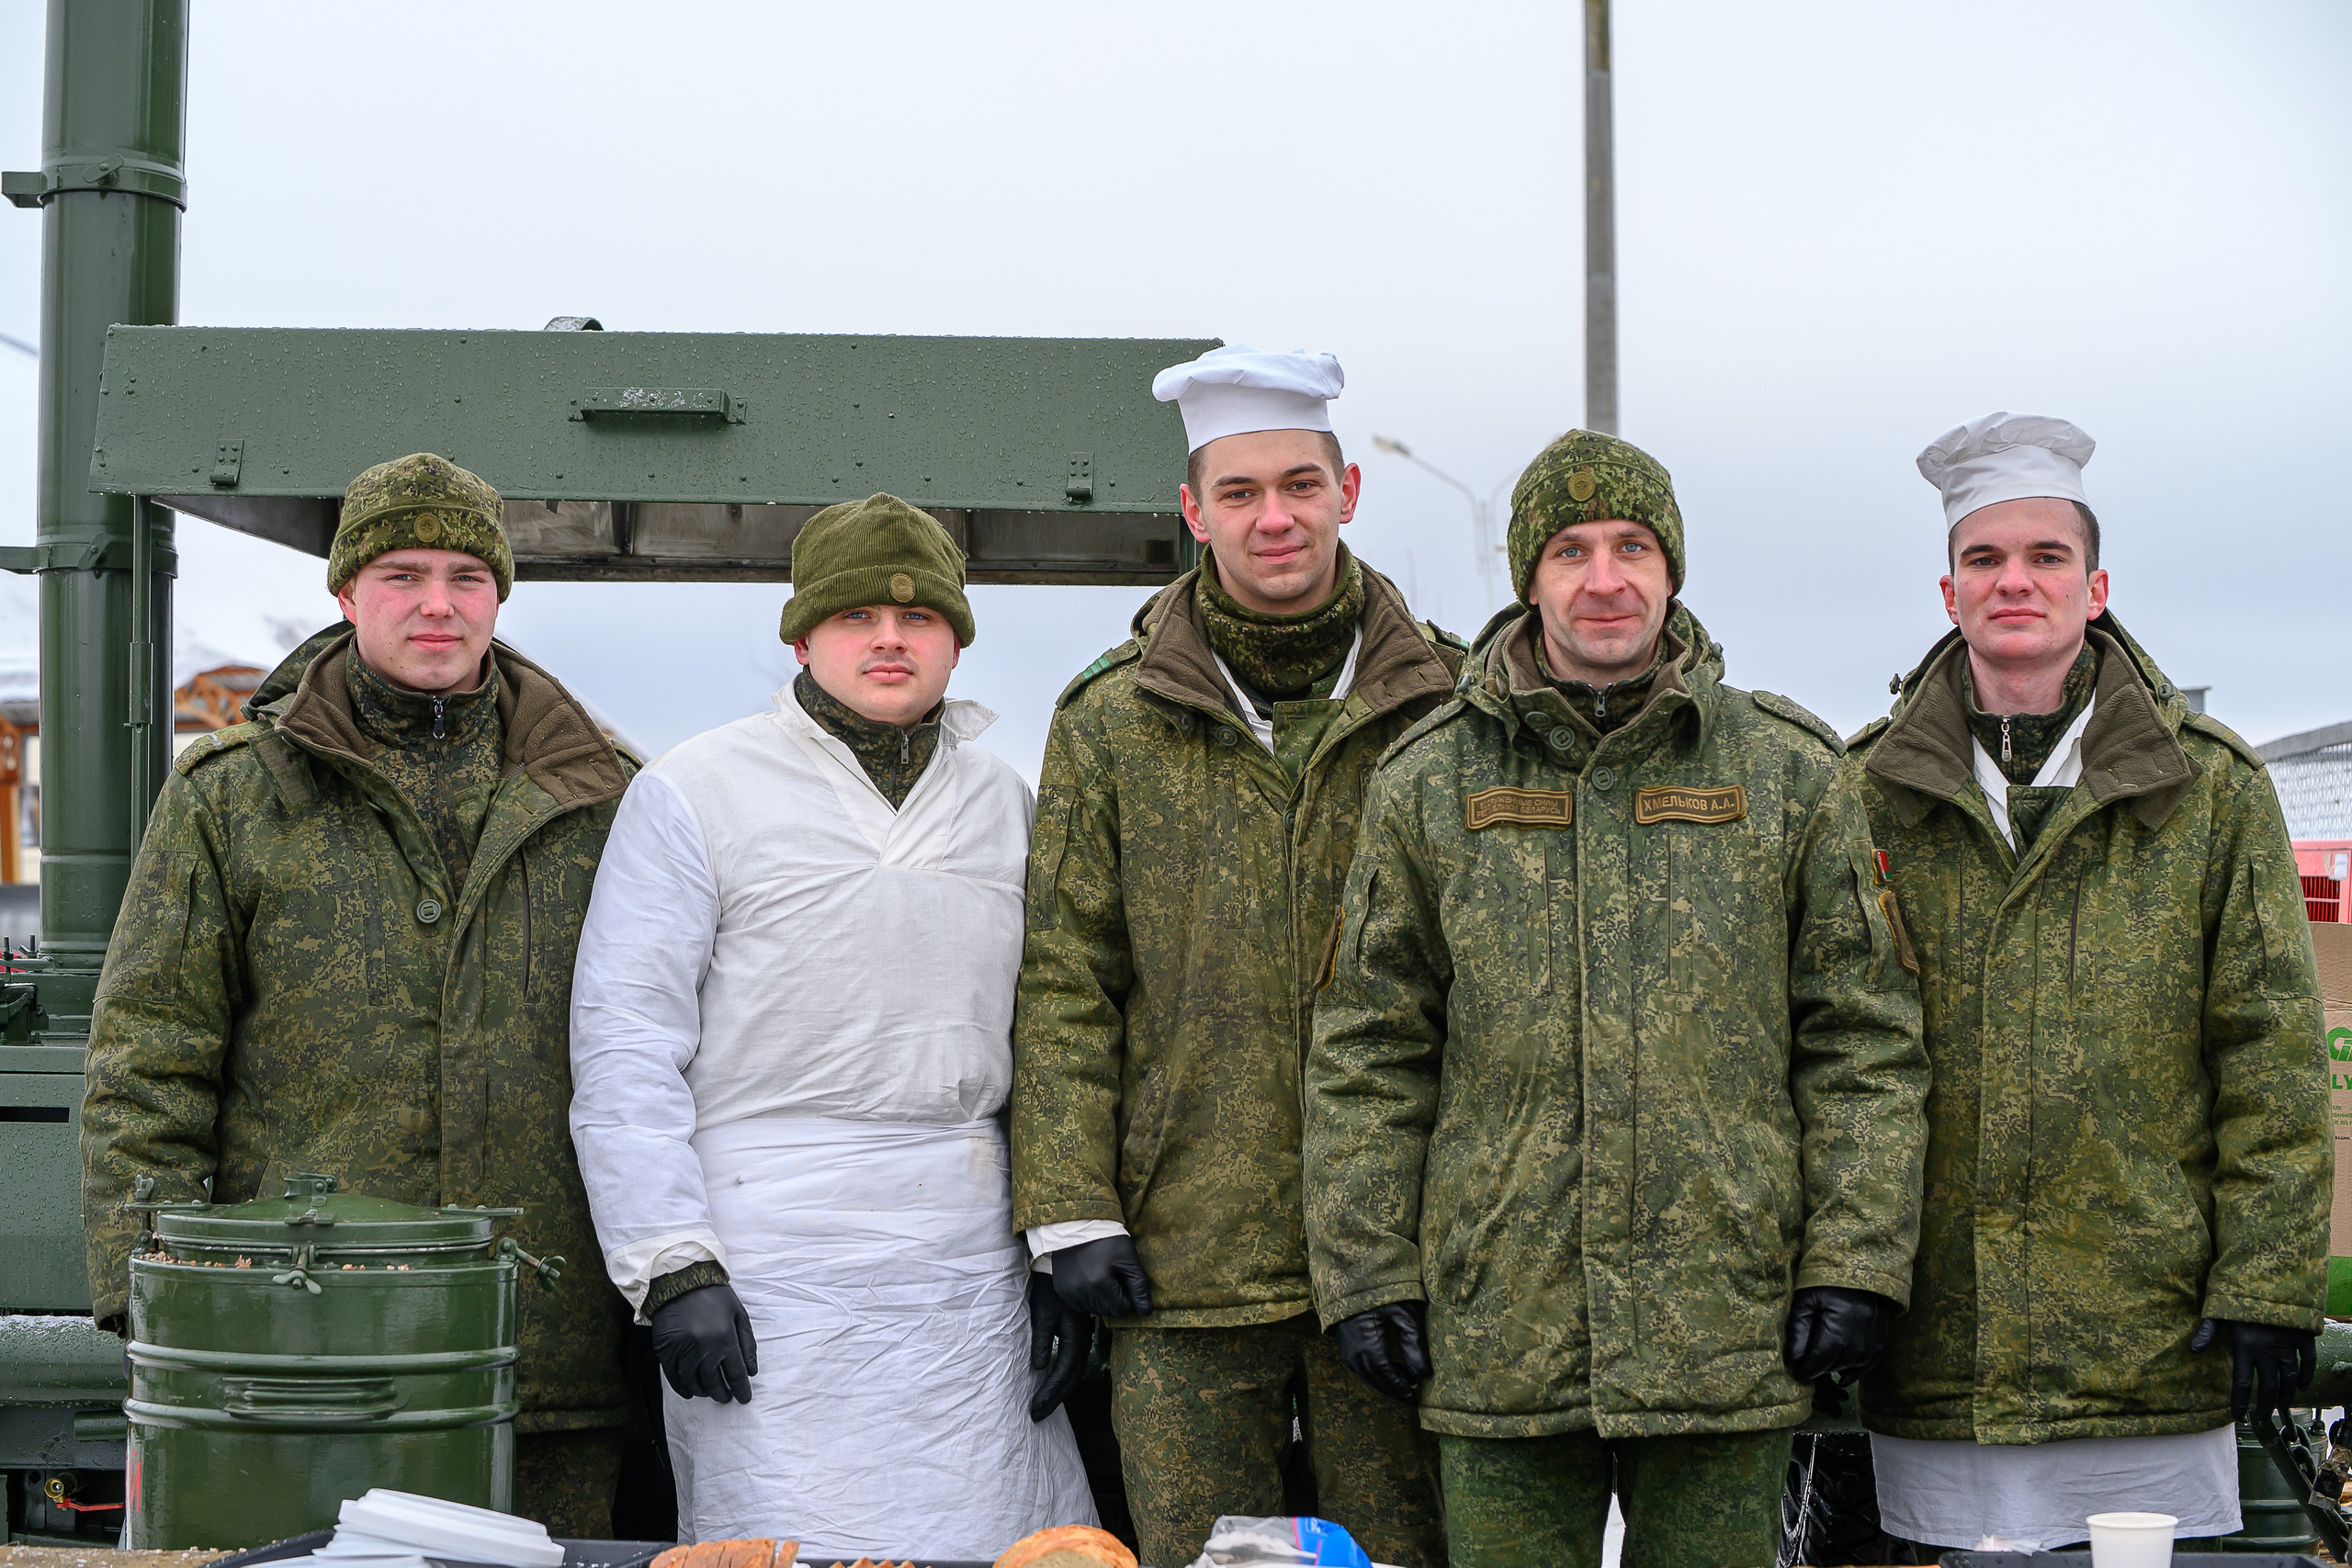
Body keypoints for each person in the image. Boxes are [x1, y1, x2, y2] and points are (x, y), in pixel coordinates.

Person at [1303, 429, 1931, 1568]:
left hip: (1725, 1323)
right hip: (1500, 1325)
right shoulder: (1430, 779)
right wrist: (1365, 1272)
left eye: (1632, 547)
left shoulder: (1786, 771)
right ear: (1528, 578)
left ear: (1670, 568)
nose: (1604, 579)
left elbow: (1862, 1041)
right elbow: (1368, 1049)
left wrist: (1856, 1260)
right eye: (1571, 551)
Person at [82, 453, 637, 1535]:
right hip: (301, 1358)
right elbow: (149, 1057)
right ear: (346, 593)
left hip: (548, 1358)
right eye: (402, 575)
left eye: (466, 577)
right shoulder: (234, 796)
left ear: (499, 596)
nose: (437, 605)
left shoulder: (601, 793)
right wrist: (152, 1292)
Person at [568, 494, 1096, 1557]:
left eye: (919, 619)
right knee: (786, 1545)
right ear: (803, 637)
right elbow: (625, 1038)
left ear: (956, 643)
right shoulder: (695, 791)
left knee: (1000, 1541)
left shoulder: (1006, 805)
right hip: (765, 1260)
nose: (889, 640)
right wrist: (672, 1265)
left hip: (966, 1263)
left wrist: (1057, 1242)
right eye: (857, 617)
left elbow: (1055, 1032)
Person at [1847, 412, 2330, 1553]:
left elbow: (2269, 1053)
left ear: (2095, 587)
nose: (2014, 581)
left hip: (2143, 1338)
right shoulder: (1862, 790)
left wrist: (2265, 1282)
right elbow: (1834, 1054)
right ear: (1948, 592)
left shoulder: (2208, 790)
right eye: (1984, 558)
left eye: (2045, 556)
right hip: (1941, 1342)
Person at [1012, 345, 1462, 1568]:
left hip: (1406, 1251)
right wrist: (1069, 1208)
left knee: (1406, 1549)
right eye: (1242, 491)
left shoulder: (1449, 701)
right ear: (1193, 509)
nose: (1276, 517)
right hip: (1183, 1253)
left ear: (1348, 491)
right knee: (1199, 1551)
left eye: (1301, 485)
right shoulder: (1112, 718)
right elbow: (1066, 978)